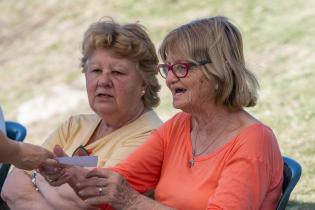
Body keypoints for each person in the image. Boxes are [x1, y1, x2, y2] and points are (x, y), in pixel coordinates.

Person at [44, 16, 283, 210]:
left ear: (217, 70)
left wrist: (132, 202)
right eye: (167, 68)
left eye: (180, 68)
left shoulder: (254, 142)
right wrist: (77, 177)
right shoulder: (180, 125)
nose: (169, 79)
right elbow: (120, 182)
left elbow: (125, 195)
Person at [1, 18, 162, 210]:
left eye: (117, 72)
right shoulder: (75, 125)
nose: (103, 81)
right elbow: (11, 186)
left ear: (144, 83)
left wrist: (36, 177)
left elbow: (88, 200)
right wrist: (46, 182)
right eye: (95, 70)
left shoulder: (151, 136)